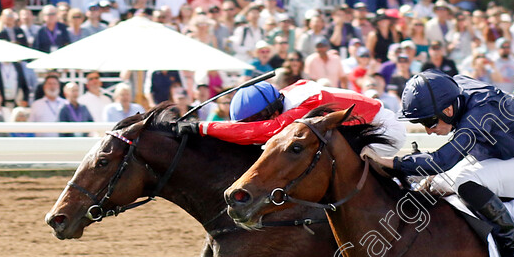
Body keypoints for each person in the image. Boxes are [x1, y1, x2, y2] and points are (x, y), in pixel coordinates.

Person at [359, 69, 514, 257]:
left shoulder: (479, 113)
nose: (428, 130)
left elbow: (442, 161)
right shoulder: (452, 90)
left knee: (464, 181)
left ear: (448, 110)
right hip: (498, 154)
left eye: (429, 121)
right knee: (431, 184)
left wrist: (393, 162)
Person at [174, 80, 405, 158]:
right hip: (357, 129)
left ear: (271, 110)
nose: (256, 123)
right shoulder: (282, 98)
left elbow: (263, 132)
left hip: (382, 131)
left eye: (258, 118)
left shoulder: (304, 103)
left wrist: (201, 127)